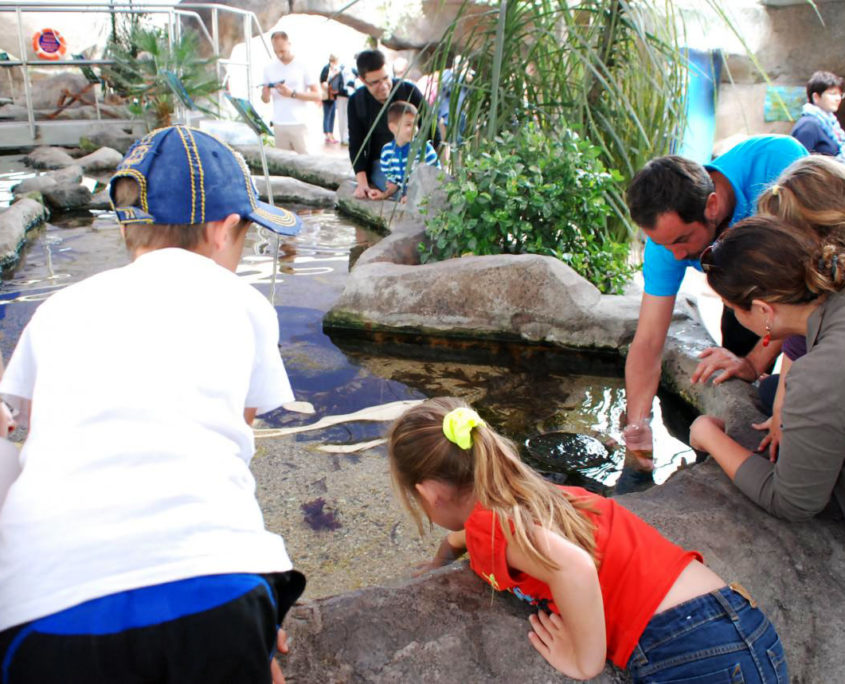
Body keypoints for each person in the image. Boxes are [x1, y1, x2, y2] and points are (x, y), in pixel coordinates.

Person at [0, 125, 306, 682]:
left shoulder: (58, 309)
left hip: (40, 608)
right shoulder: (243, 303)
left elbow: (24, 429)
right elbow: (236, 443)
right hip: (218, 584)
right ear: (224, 229)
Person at [388, 397, 787, 682]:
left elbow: (572, 566)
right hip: (743, 622)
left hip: (684, 650)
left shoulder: (492, 526)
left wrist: (584, 661)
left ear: (427, 494)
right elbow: (464, 539)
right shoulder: (531, 495)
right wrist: (439, 560)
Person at [622, 136, 807, 462]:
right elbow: (649, 339)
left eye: (682, 240)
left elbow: (801, 298)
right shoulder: (667, 242)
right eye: (665, 245)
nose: (676, 255)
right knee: (737, 357)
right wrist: (638, 423)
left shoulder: (777, 167)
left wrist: (755, 363)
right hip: (745, 290)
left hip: (809, 286)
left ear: (711, 206)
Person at [690, 216, 845, 522]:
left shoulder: (818, 374)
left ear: (764, 311)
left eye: (733, 309)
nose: (734, 315)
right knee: (773, 390)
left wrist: (708, 436)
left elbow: (794, 502)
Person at [748, 155, 845, 460]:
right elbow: (796, 339)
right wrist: (780, 408)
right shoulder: (820, 278)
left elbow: (794, 505)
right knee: (772, 393)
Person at [348, 49, 441, 199]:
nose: (384, 86)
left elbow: (434, 133)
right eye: (375, 82)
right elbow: (356, 145)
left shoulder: (408, 90)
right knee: (401, 193)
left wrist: (427, 169)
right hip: (385, 164)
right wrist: (362, 183)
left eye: (386, 78)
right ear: (363, 80)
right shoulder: (357, 102)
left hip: (417, 159)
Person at [261, 31, 320, 154]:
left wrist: (293, 94)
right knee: (283, 167)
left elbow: (317, 95)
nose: (279, 55)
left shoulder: (303, 65)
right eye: (276, 51)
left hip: (300, 123)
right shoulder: (268, 68)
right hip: (279, 124)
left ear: (289, 44)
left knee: (306, 164)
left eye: (282, 50)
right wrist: (265, 94)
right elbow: (265, 100)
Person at [374, 101, 440, 202]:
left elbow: (437, 178)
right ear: (393, 127)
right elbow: (394, 181)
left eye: (416, 124)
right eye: (408, 125)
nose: (415, 129)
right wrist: (384, 194)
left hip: (427, 195)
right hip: (406, 196)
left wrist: (414, 196)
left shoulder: (424, 149)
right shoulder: (387, 152)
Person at [790, 70, 845, 159]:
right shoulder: (809, 125)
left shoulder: (831, 124)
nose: (838, 98)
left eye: (840, 94)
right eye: (833, 94)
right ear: (816, 97)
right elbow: (797, 163)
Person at [319, 55, 340, 145]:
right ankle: (327, 134)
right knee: (327, 114)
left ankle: (330, 133)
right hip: (327, 96)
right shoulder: (327, 68)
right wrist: (329, 89)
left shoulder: (334, 69)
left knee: (332, 115)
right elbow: (323, 81)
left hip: (332, 96)